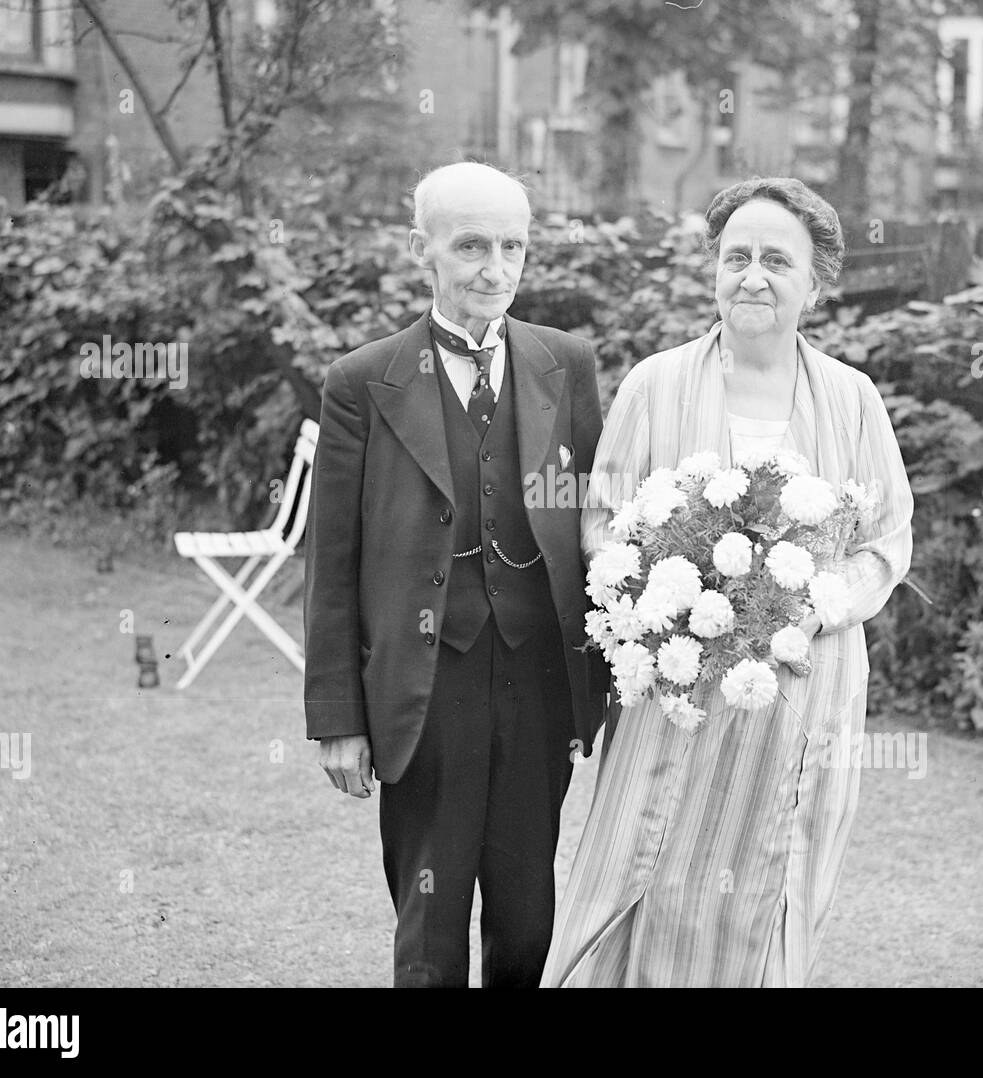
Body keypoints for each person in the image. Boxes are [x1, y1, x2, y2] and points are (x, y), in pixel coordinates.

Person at [541, 177, 914, 988]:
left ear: (815, 284)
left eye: (777, 260)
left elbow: (885, 545)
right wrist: (674, 598)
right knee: (640, 865)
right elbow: (604, 521)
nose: (753, 275)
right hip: (675, 689)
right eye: (735, 255)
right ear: (712, 270)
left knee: (767, 884)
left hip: (800, 694)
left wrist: (804, 607)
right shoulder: (655, 384)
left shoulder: (854, 402)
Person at [303, 161, 607, 988]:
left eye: (513, 245)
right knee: (430, 929)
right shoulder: (362, 383)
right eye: (471, 245)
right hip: (424, 685)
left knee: (527, 919)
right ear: (420, 251)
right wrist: (338, 714)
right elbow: (331, 563)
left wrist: (606, 686)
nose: (495, 267)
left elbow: (597, 531)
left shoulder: (565, 364)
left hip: (540, 678)